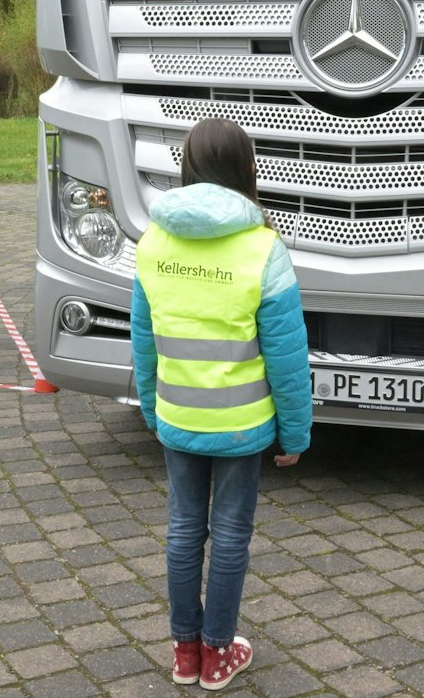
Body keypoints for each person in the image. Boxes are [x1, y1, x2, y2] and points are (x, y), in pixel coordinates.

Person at [131, 117, 310, 690]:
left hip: (179, 414)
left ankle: (184, 653)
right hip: (241, 423)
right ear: (246, 168)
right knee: (231, 534)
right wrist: (296, 432)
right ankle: (217, 653)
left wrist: (151, 406)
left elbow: (143, 339)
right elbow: (286, 355)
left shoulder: (153, 242)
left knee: (183, 529)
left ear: (187, 165)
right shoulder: (263, 247)